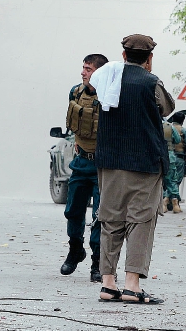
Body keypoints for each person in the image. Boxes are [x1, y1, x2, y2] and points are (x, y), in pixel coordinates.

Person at [89, 34, 175, 305]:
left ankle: (107, 283)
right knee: (140, 220)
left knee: (111, 219)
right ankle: (132, 286)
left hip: (109, 162)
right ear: (149, 59)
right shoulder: (151, 82)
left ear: (124, 55)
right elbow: (167, 108)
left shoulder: (105, 79)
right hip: (144, 164)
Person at [61, 53, 108, 281]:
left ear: (98, 72)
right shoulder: (75, 92)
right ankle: (75, 250)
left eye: (88, 69)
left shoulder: (110, 96)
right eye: (83, 68)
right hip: (80, 162)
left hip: (102, 165)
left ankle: (97, 263)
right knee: (73, 211)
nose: (83, 72)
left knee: (100, 215)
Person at [162, 111, 186, 214]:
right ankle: (174, 203)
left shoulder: (149, 124)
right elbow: (177, 140)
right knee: (172, 180)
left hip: (154, 157)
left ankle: (163, 202)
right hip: (169, 155)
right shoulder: (168, 126)